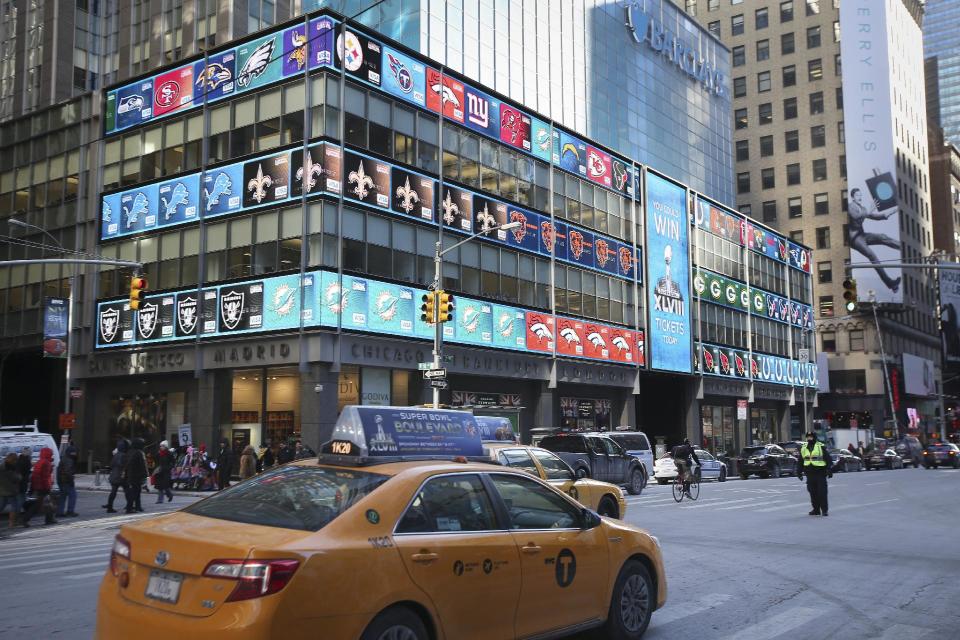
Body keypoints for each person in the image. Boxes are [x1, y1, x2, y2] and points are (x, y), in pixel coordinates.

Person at [847, 187, 901, 293]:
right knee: (872, 255)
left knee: (882, 236)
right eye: (858, 195)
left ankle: (903, 248)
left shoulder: (862, 208)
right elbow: (858, 217)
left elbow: (874, 216)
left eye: (860, 195)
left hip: (862, 235)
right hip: (854, 239)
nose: (860, 197)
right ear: (853, 197)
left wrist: (890, 212)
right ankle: (890, 283)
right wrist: (870, 209)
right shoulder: (850, 207)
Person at [798, 431, 833, 516]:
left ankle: (824, 510)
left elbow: (828, 459)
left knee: (822, 492)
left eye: (811, 437)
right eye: (808, 437)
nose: (809, 438)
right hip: (809, 474)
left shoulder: (820, 446)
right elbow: (801, 461)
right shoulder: (804, 447)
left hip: (820, 473)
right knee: (812, 492)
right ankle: (816, 509)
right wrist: (798, 472)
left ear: (814, 437)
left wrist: (829, 469)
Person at [29, 447, 57, 525]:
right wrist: (47, 488)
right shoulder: (46, 463)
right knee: (44, 504)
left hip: (39, 486)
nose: (52, 455)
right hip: (44, 487)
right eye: (51, 454)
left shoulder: (40, 462)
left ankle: (50, 519)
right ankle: (26, 519)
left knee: (47, 503)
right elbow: (45, 477)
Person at [123, 438, 148, 513]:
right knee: (136, 492)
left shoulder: (129, 452)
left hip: (130, 475)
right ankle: (130, 508)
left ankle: (137, 506)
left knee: (134, 492)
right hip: (137, 475)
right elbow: (143, 465)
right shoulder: (140, 453)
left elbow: (126, 464)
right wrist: (146, 475)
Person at [103, 439, 129, 513]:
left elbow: (111, 465)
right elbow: (124, 465)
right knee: (127, 491)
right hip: (121, 476)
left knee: (113, 492)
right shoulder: (124, 455)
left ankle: (110, 507)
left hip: (114, 475)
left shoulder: (116, 455)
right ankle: (129, 507)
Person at [56, 438, 79, 518]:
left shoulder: (64, 458)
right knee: (73, 495)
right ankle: (70, 511)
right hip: (66, 480)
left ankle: (59, 512)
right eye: (74, 453)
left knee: (63, 496)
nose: (75, 454)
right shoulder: (69, 460)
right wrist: (71, 481)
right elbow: (68, 471)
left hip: (61, 480)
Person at [0, 453, 22, 530]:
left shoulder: (2, 466)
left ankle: (12, 523)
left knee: (1, 505)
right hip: (10, 490)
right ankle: (12, 523)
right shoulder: (10, 468)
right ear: (13, 460)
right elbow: (16, 478)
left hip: (2, 490)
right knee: (14, 506)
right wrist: (19, 476)